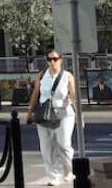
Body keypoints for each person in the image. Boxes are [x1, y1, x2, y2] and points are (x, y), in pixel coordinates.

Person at [26, 50, 77, 186]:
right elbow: (36, 93)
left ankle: (68, 171)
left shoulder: (67, 76)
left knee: (63, 144)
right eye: (49, 59)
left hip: (64, 114)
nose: (52, 62)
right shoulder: (42, 75)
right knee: (46, 146)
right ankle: (53, 176)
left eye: (55, 59)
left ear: (61, 60)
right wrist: (30, 111)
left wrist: (79, 115)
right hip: (44, 114)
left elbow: (73, 96)